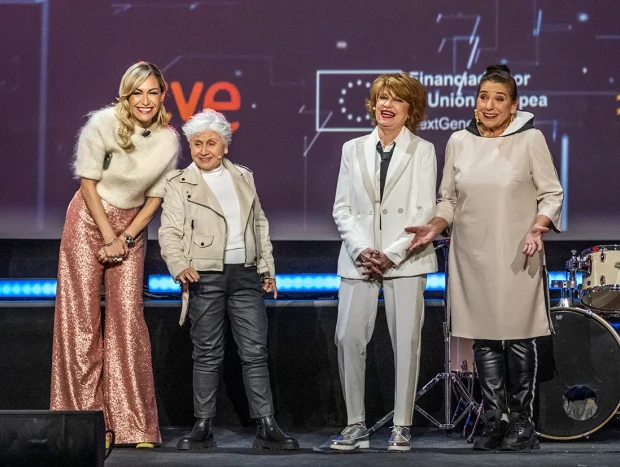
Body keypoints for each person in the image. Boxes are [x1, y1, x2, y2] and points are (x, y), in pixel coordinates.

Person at [407, 64, 563, 451]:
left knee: (517, 336)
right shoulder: (459, 141)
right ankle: (495, 419)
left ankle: (522, 423)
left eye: (499, 99)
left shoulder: (531, 140)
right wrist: (435, 225)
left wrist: (539, 226)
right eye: (483, 97)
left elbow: (552, 193)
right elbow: (449, 198)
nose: (489, 105)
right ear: (475, 102)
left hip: (517, 251)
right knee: (484, 340)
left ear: (513, 106)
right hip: (471, 254)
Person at [50, 62, 180, 447]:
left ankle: (134, 424)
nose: (145, 100)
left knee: (127, 320)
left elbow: (155, 197)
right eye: (137, 92)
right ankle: (87, 426)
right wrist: (109, 236)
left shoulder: (169, 140)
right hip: (89, 220)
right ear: (126, 94)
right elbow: (88, 184)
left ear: (162, 95)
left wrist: (125, 238)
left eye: (152, 92)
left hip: (131, 228)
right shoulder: (102, 124)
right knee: (81, 322)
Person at [158, 109, 299, 451]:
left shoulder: (243, 177)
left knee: (255, 351)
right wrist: (179, 265)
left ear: (224, 146)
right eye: (196, 144)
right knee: (207, 353)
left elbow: (259, 225)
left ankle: (266, 424)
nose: (203, 150)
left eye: (210, 143)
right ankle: (203, 425)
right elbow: (169, 232)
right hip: (204, 275)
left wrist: (267, 269)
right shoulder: (179, 184)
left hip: (246, 275)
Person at [330, 73, 438, 451]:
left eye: (395, 99)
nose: (386, 105)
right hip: (359, 260)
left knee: (406, 342)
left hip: (404, 260)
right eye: (380, 98)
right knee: (348, 339)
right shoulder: (352, 148)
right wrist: (362, 250)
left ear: (410, 109)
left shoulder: (422, 150)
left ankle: (402, 425)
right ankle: (355, 424)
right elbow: (342, 207)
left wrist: (391, 253)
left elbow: (425, 208)